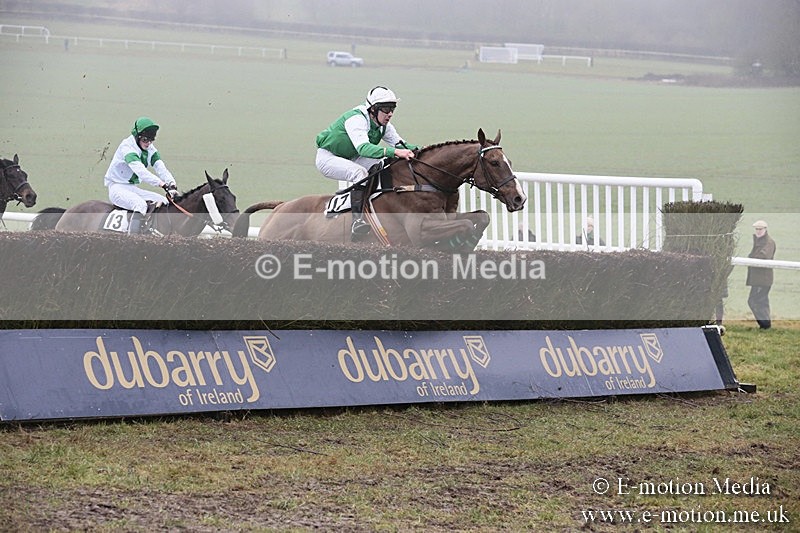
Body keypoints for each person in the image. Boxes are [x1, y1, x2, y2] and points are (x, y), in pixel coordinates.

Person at [315, 86, 417, 237]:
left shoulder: (384, 126)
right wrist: (395, 152)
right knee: (360, 173)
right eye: (386, 109)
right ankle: (357, 221)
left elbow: (401, 145)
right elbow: (364, 149)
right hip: (329, 157)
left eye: (393, 109)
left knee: (385, 164)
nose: (390, 114)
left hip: (353, 155)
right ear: (373, 109)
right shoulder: (356, 119)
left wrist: (426, 151)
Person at [104, 117, 178, 234]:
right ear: (137, 137)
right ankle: (133, 240)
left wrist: (171, 183)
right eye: (145, 140)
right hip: (116, 188)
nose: (148, 143)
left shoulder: (150, 149)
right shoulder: (127, 148)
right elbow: (141, 172)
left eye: (151, 140)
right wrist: (162, 184)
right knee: (140, 205)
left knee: (164, 201)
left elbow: (160, 167)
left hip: (132, 188)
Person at [746, 220, 776, 330]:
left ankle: (765, 325)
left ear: (765, 229)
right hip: (759, 279)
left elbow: (763, 256)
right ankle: (765, 325)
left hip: (762, 279)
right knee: (760, 300)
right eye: (757, 229)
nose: (758, 231)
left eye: (760, 229)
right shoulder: (760, 241)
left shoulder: (768, 242)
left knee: (755, 301)